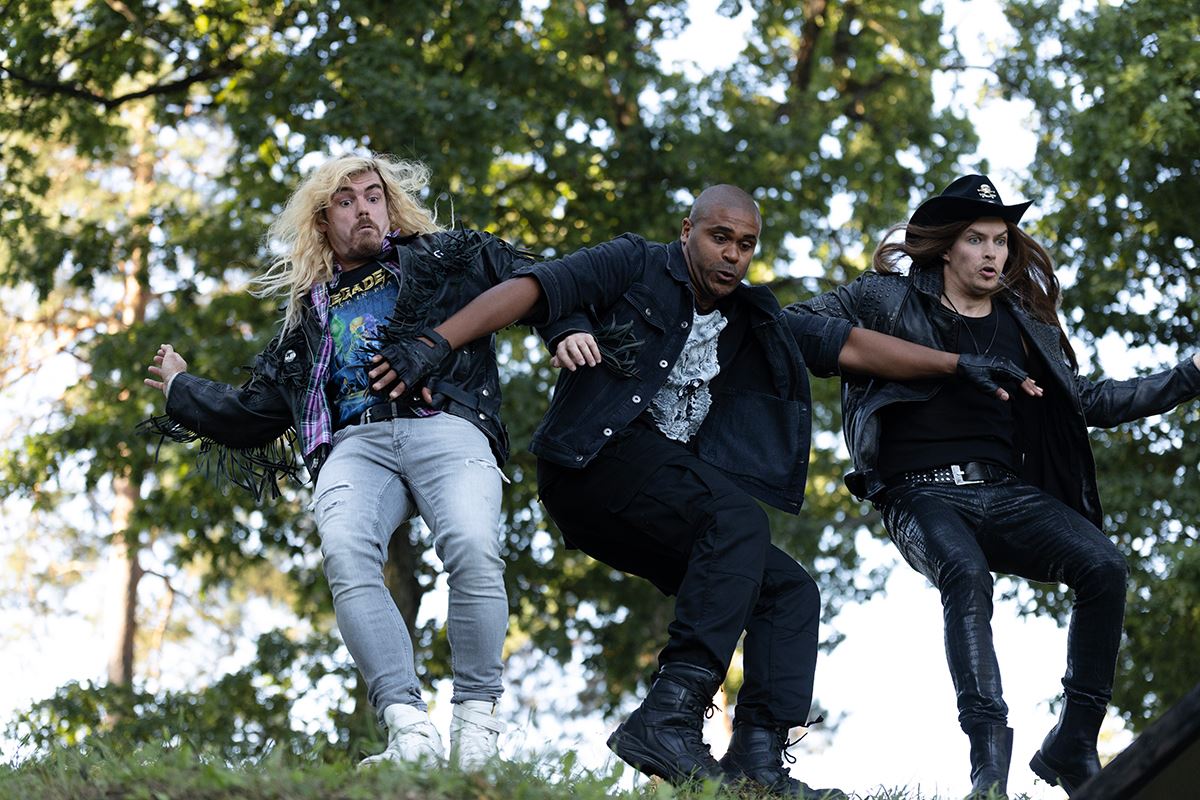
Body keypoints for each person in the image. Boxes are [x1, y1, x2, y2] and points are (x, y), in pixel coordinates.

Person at [369, 184, 1037, 796]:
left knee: (787, 591)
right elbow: (533, 288)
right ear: (687, 230)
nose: (733, 255)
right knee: (737, 521)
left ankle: (757, 764)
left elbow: (852, 347)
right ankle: (669, 716)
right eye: (721, 238)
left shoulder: (754, 317)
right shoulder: (634, 263)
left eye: (746, 245)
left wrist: (957, 365)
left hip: (659, 494)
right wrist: (434, 343)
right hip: (593, 463)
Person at [791, 174, 1200, 798]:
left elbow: (1091, 400)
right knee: (965, 572)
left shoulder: (1025, 325)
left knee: (1104, 567)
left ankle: (1073, 742)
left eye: (1001, 241)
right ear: (946, 247)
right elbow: (795, 326)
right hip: (919, 493)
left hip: (1008, 493)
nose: (993, 254)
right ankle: (988, 771)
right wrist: (937, 364)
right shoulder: (885, 298)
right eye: (976, 240)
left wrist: (1191, 373)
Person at [141, 153, 535, 770]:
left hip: (446, 425)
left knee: (473, 544)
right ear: (324, 222)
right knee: (347, 555)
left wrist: (567, 330)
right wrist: (180, 387)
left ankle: (477, 726)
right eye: (345, 202)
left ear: (390, 205)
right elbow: (251, 412)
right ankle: (410, 734)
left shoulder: (442, 260)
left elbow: (536, 279)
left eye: (373, 196)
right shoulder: (307, 316)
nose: (363, 210)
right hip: (355, 446)